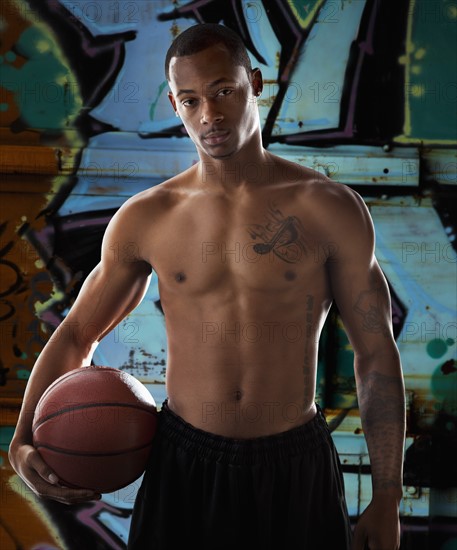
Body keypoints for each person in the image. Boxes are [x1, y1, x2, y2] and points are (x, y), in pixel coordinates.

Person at [9, 23, 405, 550]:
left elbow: (376, 353)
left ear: (255, 83)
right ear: (174, 104)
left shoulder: (328, 208)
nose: (210, 117)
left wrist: (387, 498)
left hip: (293, 460)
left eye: (224, 92)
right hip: (184, 459)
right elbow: (79, 333)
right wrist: (21, 442)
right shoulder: (148, 217)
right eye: (191, 100)